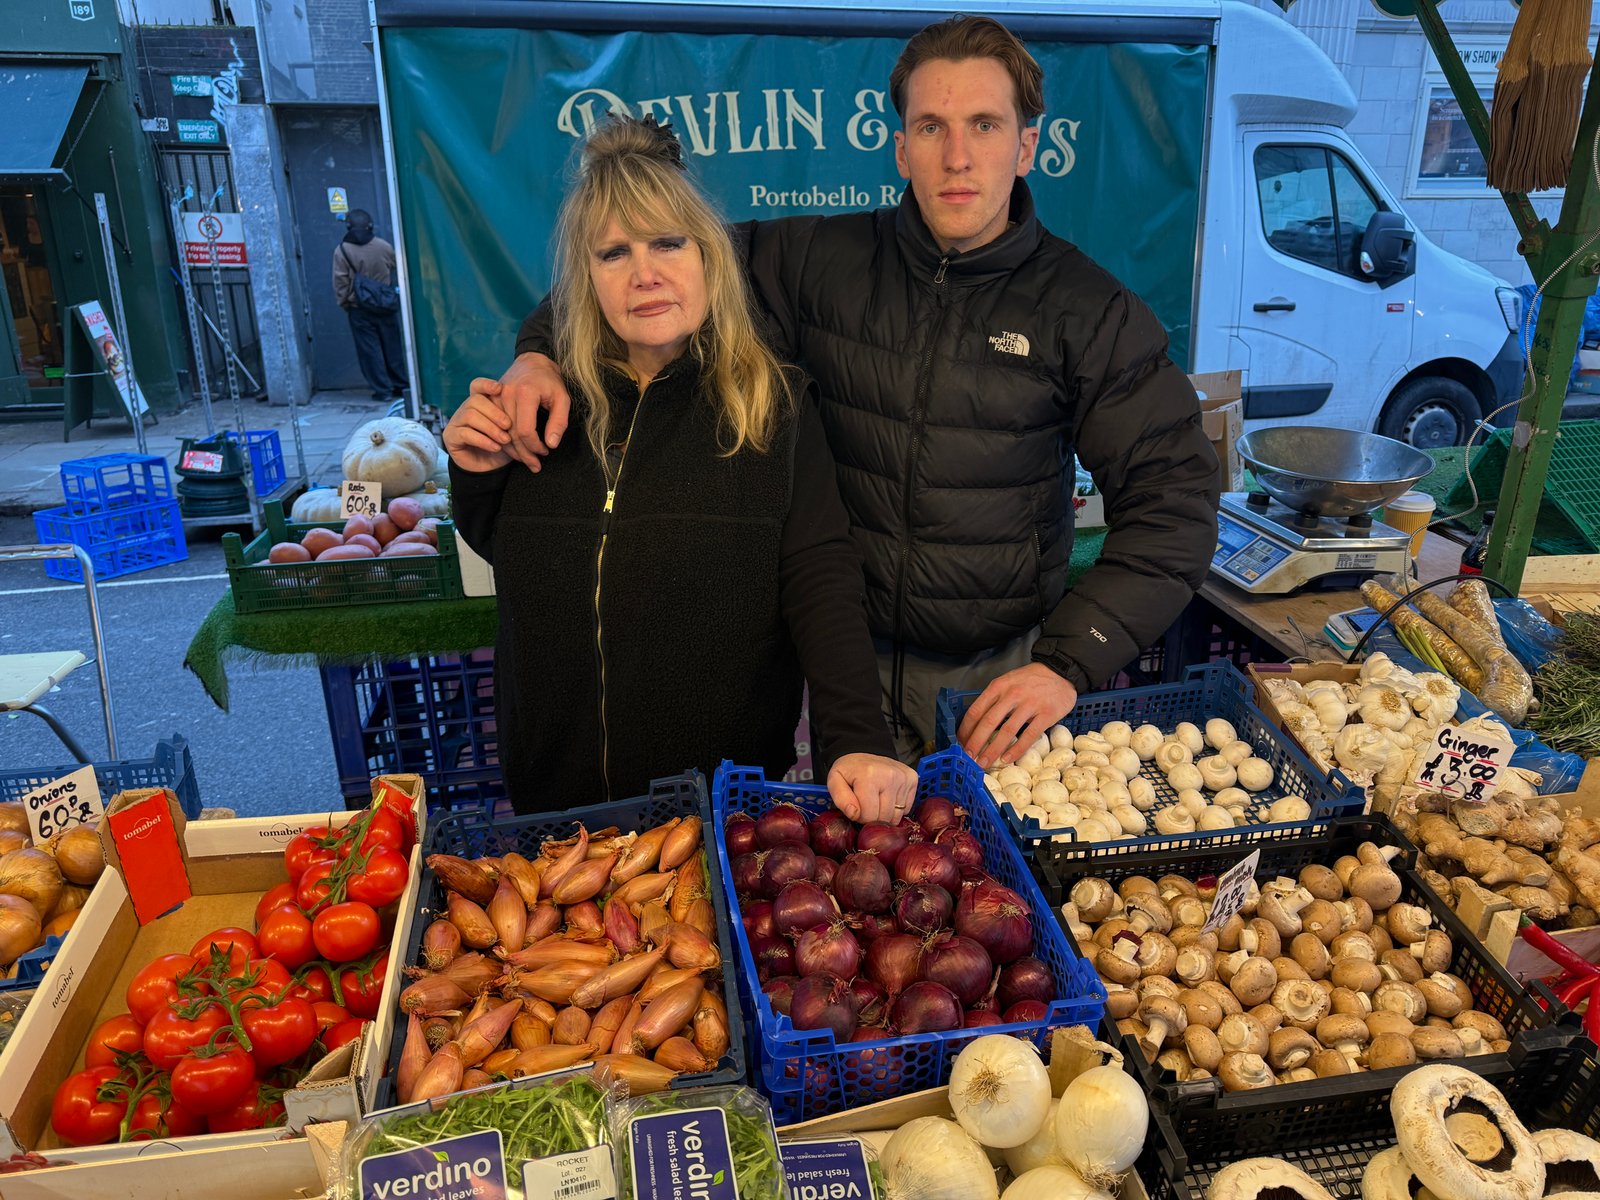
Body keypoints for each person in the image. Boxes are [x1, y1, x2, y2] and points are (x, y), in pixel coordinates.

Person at [472, 17, 1221, 771]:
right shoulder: (817, 261)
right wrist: (538, 355)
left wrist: (1067, 662)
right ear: (901, 148)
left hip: (998, 679)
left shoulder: (1089, 312)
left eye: (985, 125)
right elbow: (649, 271)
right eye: (930, 127)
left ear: (1026, 147)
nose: (957, 157)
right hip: (845, 670)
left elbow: (1176, 502)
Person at [443, 116, 917, 822]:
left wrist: (857, 738)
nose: (645, 274)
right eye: (614, 253)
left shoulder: (773, 405)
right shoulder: (546, 404)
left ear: (709, 256)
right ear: (585, 280)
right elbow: (509, 552)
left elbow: (821, 579)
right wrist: (477, 472)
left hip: (722, 807)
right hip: (554, 807)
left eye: (668, 242)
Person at [332, 209, 409, 403]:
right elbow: (397, 268)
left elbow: (340, 282)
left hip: (359, 307)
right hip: (385, 305)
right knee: (392, 347)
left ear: (349, 227)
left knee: (370, 351)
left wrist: (345, 303)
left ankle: (382, 390)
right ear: (370, 226)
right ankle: (401, 385)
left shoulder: (342, 251)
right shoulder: (383, 246)